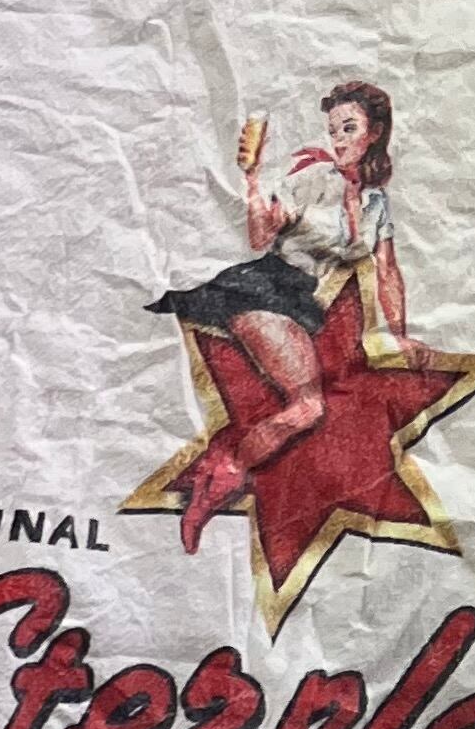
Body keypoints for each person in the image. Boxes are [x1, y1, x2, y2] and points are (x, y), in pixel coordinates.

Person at [148, 81, 414, 554]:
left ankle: (218, 473)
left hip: (299, 301)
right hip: (263, 288)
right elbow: (260, 236)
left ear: (374, 132)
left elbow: (387, 270)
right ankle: (216, 484)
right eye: (334, 130)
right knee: (307, 407)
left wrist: (401, 335)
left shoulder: (376, 204)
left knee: (309, 408)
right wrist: (251, 180)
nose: (338, 140)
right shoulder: (312, 179)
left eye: (349, 128)